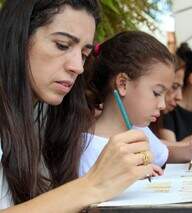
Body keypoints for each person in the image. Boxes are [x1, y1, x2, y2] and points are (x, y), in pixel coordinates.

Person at [0, 1, 154, 211]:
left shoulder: (48, 114)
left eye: (84, 54)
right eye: (62, 45)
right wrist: (93, 185)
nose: (77, 67)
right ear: (18, 37)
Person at [80, 31, 175, 175]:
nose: (162, 104)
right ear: (123, 84)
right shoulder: (87, 148)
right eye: (156, 93)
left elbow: (163, 156)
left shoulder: (138, 130)